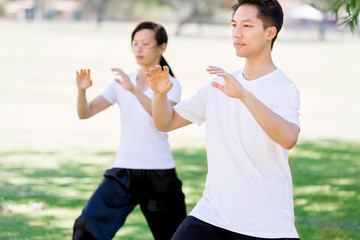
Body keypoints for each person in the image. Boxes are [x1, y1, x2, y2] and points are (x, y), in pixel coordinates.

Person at [146, 0, 301, 239]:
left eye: (247, 26)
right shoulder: (218, 85)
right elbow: (165, 123)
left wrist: (244, 95)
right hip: (212, 213)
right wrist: (159, 93)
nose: (236, 33)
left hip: (264, 223)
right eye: (234, 25)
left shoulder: (283, 88)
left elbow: (289, 138)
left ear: (270, 32)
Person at [73, 21, 186, 240]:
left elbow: (162, 118)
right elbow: (85, 112)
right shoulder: (121, 82)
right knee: (87, 225)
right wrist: (81, 91)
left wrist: (134, 89)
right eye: (135, 43)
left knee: (174, 235)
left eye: (145, 44)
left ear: (162, 47)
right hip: (124, 171)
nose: (138, 49)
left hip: (159, 172)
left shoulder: (170, 84)